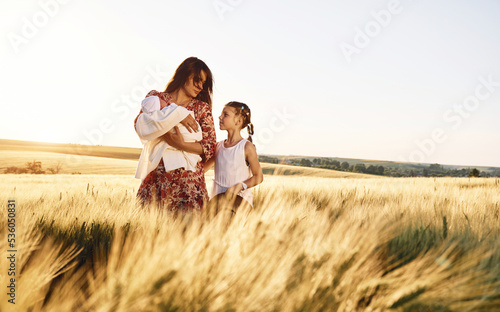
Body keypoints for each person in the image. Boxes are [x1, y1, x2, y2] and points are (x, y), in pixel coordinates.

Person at [134, 57, 216, 212]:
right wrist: (178, 113)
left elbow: (210, 146)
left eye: (203, 83)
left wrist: (179, 144)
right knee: (148, 233)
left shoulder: (201, 108)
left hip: (189, 185)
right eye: (196, 80)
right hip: (157, 180)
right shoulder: (157, 98)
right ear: (184, 74)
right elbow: (140, 124)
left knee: (188, 233)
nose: (200, 86)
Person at [204, 101, 263, 207]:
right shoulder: (218, 146)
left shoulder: (246, 147)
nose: (219, 117)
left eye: (225, 115)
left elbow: (258, 177)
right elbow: (202, 170)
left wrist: (239, 186)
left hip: (239, 206)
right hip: (217, 205)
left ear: (238, 121)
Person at [135, 95, 202, 180]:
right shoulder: (163, 111)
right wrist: (176, 110)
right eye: (160, 100)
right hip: (187, 137)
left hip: (189, 138)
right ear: (159, 105)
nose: (162, 99)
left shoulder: (202, 106)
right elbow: (146, 123)